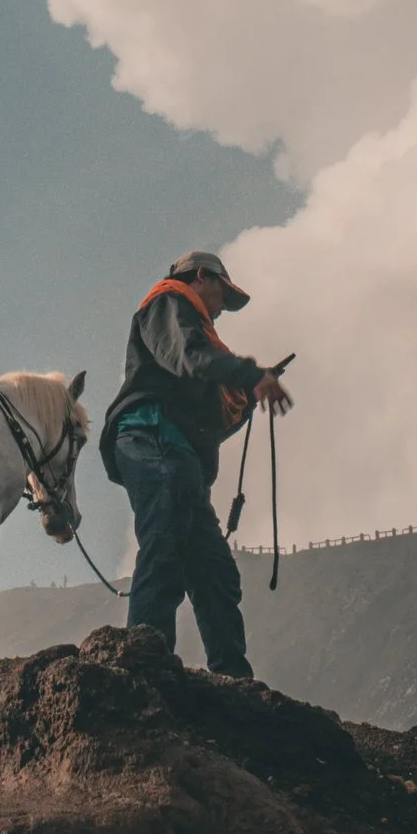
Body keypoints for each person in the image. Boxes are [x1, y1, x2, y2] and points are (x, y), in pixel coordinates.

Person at [98, 250, 292, 679]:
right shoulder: (168, 301)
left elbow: (199, 391)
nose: (222, 307)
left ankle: (234, 682)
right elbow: (189, 354)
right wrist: (249, 374)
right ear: (202, 277)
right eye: (223, 293)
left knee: (215, 573)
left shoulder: (190, 323)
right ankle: (144, 668)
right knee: (165, 539)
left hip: (176, 451)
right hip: (151, 435)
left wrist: (246, 392)